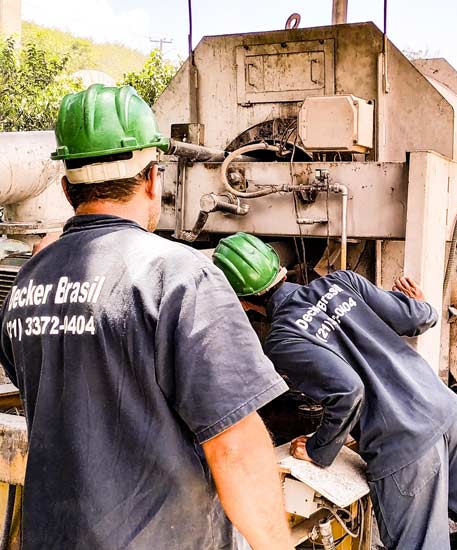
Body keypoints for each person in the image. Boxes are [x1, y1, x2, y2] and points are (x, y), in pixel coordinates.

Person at [0, 86, 292, 550]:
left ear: (64, 186)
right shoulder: (181, 274)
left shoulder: (28, 282)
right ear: (154, 178)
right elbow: (235, 448)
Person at [213, 231, 457, 550]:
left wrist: (319, 450)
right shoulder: (341, 281)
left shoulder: (283, 338)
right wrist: (419, 305)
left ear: (240, 302)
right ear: (279, 265)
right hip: (449, 414)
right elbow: (416, 318)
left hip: (403, 445)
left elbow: (348, 393)